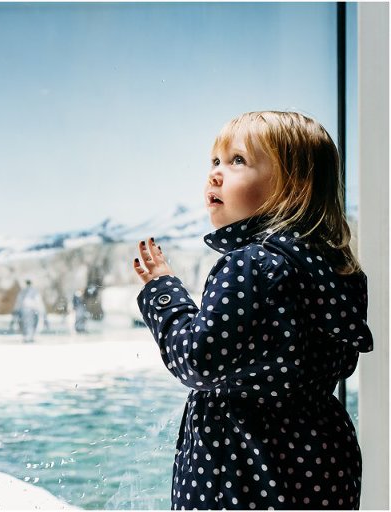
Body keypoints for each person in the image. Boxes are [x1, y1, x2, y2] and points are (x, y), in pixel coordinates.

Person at [133, 111, 373, 510]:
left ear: (292, 187)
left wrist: (163, 293)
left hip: (243, 464)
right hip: (322, 456)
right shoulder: (336, 267)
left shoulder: (250, 264)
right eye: (215, 161)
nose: (214, 174)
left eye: (237, 161)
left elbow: (198, 360)